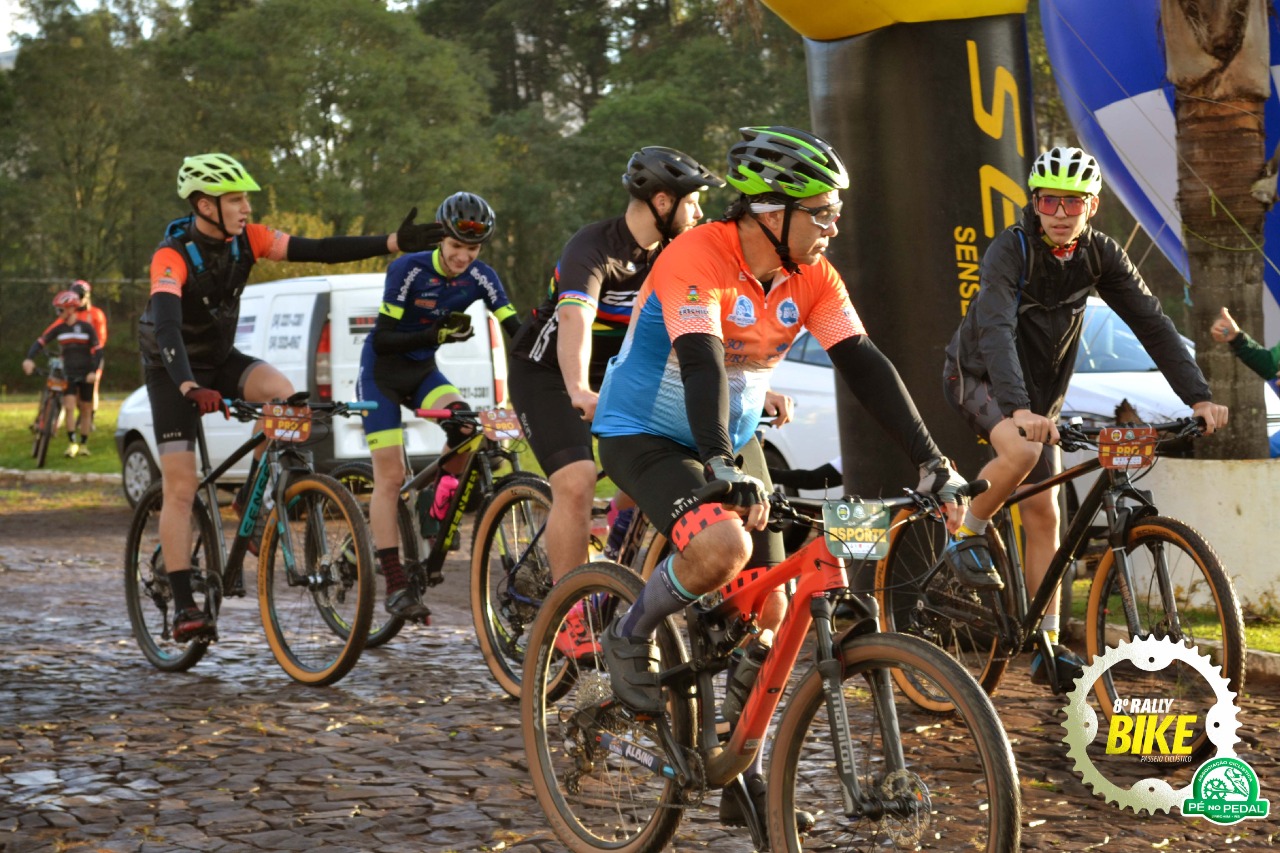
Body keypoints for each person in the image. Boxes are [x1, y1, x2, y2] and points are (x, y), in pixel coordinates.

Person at [591, 126, 974, 832]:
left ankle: (739, 765)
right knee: (723, 549)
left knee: (773, 609)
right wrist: (717, 465)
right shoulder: (696, 255)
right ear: (771, 212)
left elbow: (863, 363)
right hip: (645, 432)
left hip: (731, 442)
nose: (833, 226)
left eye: (836, 212)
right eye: (821, 212)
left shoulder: (814, 276)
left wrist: (932, 461)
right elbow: (701, 361)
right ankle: (630, 629)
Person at [943, 145, 1230, 691]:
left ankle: (1047, 647)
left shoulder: (1100, 255)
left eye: (1072, 202)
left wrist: (1198, 397)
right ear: (1035, 202)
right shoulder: (1011, 249)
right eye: (1049, 201)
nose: (1059, 213)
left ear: (1092, 206)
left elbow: (1152, 323)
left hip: (1040, 400)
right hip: (979, 377)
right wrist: (1018, 407)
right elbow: (997, 330)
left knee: (1045, 515)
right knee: (1022, 452)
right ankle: (966, 533)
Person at [141, 152, 445, 644]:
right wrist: (189, 386)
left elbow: (320, 249)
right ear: (205, 205)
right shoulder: (171, 256)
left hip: (220, 359)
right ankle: (183, 606)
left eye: (246, 199)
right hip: (170, 368)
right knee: (181, 486)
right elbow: (168, 327)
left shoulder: (250, 240)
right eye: (236, 200)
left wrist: (392, 242)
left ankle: (250, 497)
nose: (246, 208)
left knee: (287, 400)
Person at [507, 146, 725, 657]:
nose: (700, 213)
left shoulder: (679, 253)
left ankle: (617, 545)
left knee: (656, 459)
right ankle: (569, 612)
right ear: (663, 202)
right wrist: (579, 389)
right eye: (693, 202)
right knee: (577, 479)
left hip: (619, 375)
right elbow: (575, 321)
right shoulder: (593, 247)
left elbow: (701, 324)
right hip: (550, 372)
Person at [357, 191, 521, 623]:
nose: (463, 257)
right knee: (391, 476)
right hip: (382, 376)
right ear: (441, 239)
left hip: (423, 373)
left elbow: (515, 328)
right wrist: (433, 336)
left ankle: (437, 496)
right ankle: (395, 582)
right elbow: (383, 340)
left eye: (473, 249)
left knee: (466, 427)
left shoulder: (481, 277)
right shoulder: (408, 269)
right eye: (455, 246)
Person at [23, 290, 102, 458]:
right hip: (68, 374)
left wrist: (93, 371)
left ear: (71, 309)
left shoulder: (87, 328)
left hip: (86, 373)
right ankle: (72, 443)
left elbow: (98, 351)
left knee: (86, 409)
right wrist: (29, 358)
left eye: (60, 310)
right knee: (69, 407)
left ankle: (83, 444)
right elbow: (40, 342)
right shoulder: (59, 329)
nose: (58, 313)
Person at [71, 280, 107, 419]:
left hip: (92, 357)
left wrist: (93, 354)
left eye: (80, 295)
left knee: (92, 386)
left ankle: (90, 417)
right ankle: (83, 415)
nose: (78, 299)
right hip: (75, 358)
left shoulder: (96, 314)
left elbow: (101, 339)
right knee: (76, 391)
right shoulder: (71, 314)